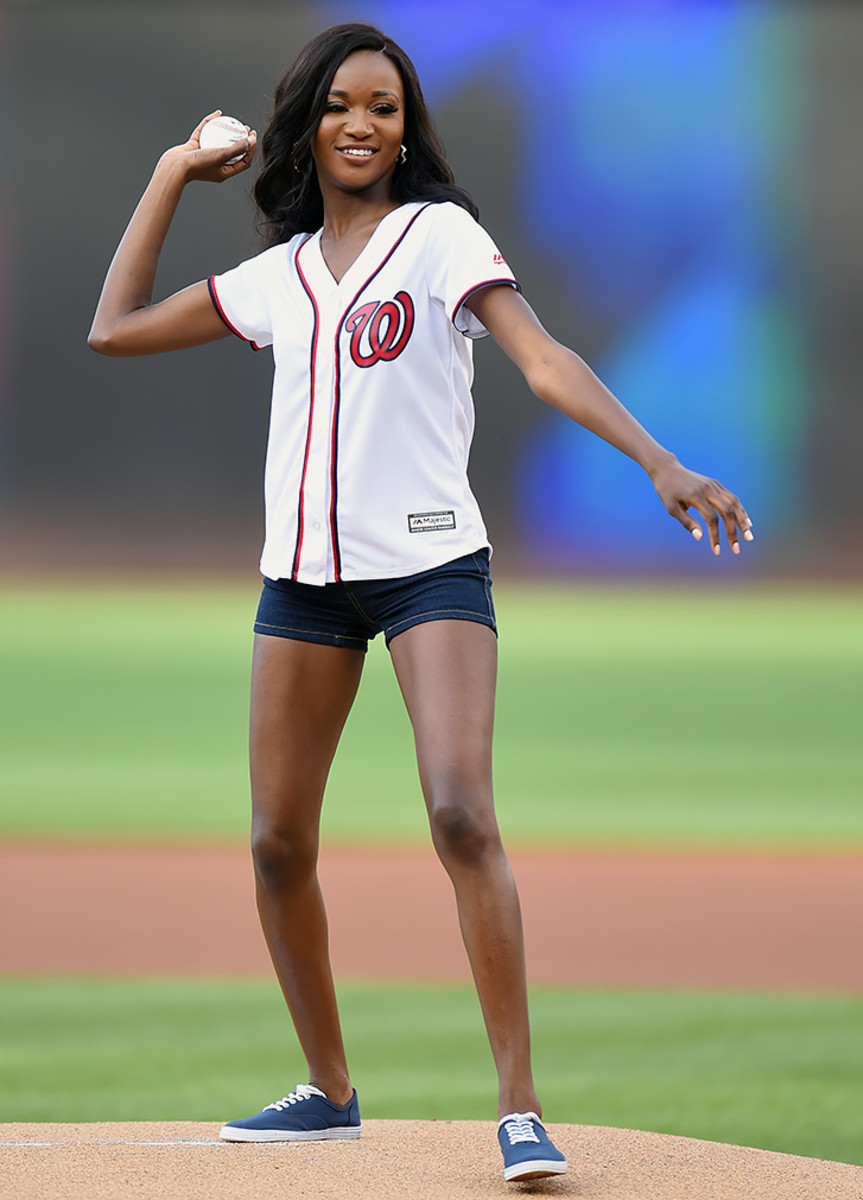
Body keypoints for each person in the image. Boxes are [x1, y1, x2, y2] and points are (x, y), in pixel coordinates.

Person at [88, 22, 753, 1184]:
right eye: (341, 104)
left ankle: (519, 1110)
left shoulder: (439, 237)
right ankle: (329, 1092)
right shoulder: (276, 277)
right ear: (309, 122)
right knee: (275, 841)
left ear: (406, 130)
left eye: (385, 108)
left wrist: (657, 462)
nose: (362, 123)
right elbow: (113, 329)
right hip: (302, 580)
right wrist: (168, 173)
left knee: (458, 810)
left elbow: (542, 359)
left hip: (430, 567)